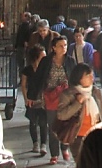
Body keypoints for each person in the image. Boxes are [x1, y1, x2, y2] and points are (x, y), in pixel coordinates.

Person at [56, 63, 102, 161]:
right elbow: (61, 115)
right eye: (88, 76)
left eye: (92, 75)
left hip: (97, 136)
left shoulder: (96, 92)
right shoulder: (68, 94)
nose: (92, 78)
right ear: (79, 78)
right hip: (78, 138)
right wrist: (77, 103)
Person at [37, 35, 75, 164]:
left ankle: (64, 147)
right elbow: (39, 77)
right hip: (51, 96)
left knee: (67, 124)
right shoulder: (46, 61)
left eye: (65, 45)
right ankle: (54, 153)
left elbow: (74, 77)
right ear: (54, 48)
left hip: (66, 97)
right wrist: (33, 95)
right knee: (53, 126)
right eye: (60, 46)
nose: (63, 48)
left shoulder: (70, 61)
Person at [21, 45, 48, 156]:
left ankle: (43, 144)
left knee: (43, 122)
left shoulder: (46, 69)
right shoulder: (27, 70)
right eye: (42, 56)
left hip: (43, 99)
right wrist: (26, 98)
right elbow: (23, 85)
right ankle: (35, 143)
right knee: (32, 122)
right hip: (31, 98)